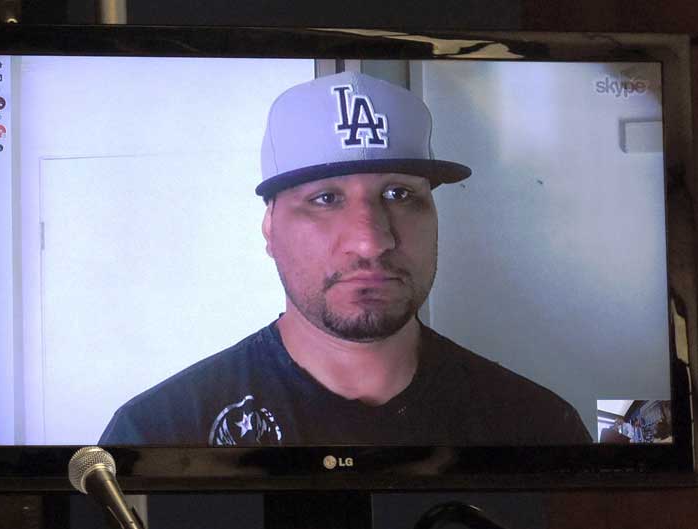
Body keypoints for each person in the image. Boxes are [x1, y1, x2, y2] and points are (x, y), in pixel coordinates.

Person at [100, 71, 592, 446]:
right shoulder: (157, 433)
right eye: (326, 199)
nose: (371, 241)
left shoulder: (541, 426)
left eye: (399, 194)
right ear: (270, 228)